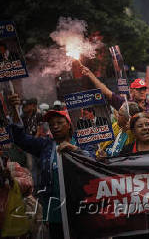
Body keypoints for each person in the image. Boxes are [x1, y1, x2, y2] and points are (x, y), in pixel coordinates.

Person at [8, 94, 90, 239]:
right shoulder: (46, 145)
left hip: (81, 209)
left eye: (59, 122)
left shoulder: (82, 143)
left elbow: (94, 161)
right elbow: (20, 138)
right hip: (55, 211)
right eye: (52, 124)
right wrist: (14, 110)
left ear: (69, 124)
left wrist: (75, 150)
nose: (55, 127)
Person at [81, 64, 149, 112]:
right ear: (131, 90)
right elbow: (106, 91)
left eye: (144, 89)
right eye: (138, 89)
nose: (142, 92)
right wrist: (90, 74)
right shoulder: (124, 103)